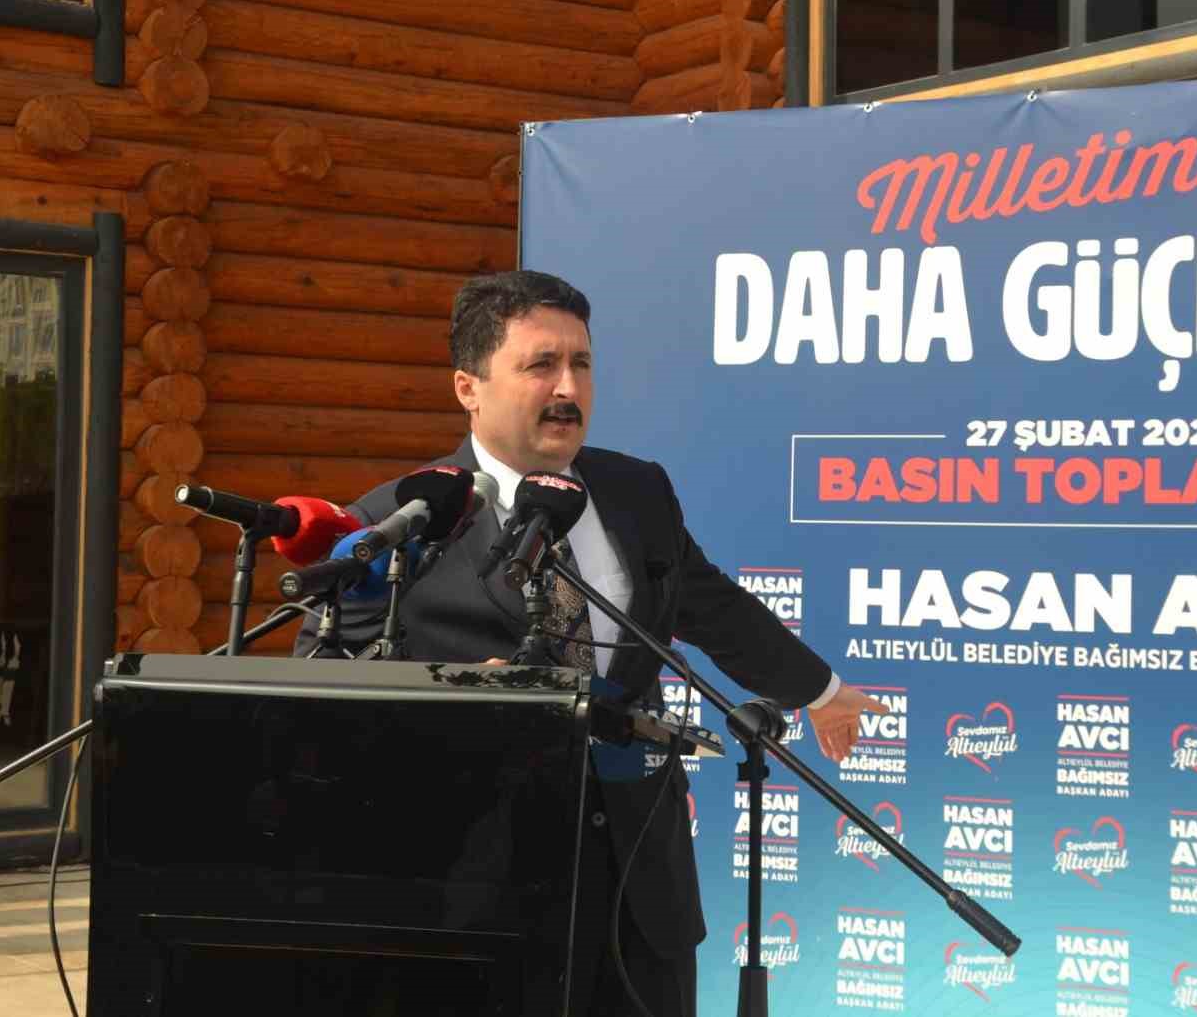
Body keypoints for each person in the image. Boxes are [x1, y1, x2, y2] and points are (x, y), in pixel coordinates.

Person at [295, 270, 886, 1016]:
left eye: (581, 363)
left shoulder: (637, 491)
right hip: (481, 886)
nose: (568, 387)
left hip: (641, 877)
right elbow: (321, 687)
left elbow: (710, 607)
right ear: (468, 387)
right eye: (541, 365)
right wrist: (453, 701)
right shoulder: (401, 519)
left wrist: (819, 691)